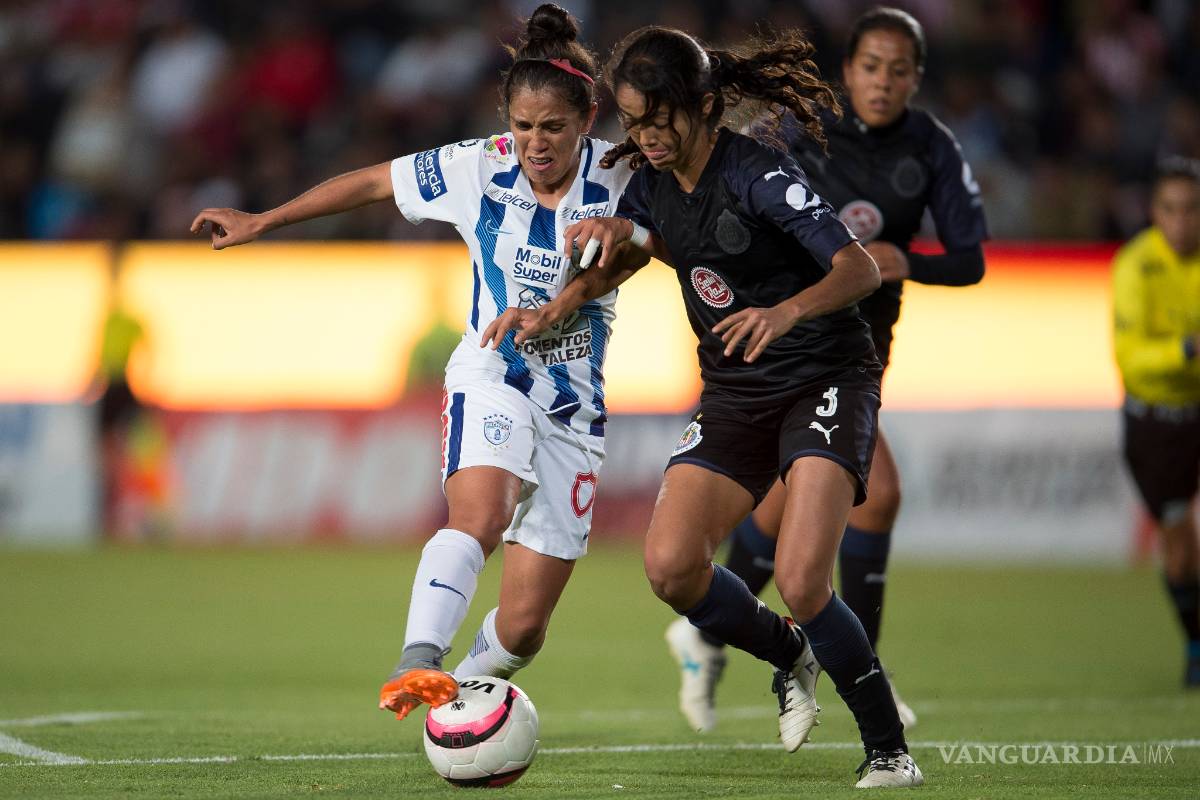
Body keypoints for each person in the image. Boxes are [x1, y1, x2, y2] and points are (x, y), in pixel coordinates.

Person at [488, 24, 921, 788]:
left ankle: (890, 751)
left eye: (662, 120)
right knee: (671, 566)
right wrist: (563, 300)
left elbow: (857, 269)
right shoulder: (651, 182)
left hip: (824, 378)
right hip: (736, 389)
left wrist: (785, 312)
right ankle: (791, 654)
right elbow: (634, 251)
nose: (648, 138)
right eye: (635, 122)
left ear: (707, 106)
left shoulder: (759, 174)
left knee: (803, 579)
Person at [190, 4, 647, 721]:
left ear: (587, 119)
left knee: (524, 628)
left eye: (553, 127)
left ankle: (452, 703)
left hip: (575, 408)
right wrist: (264, 220)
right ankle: (418, 659)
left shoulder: (625, 176)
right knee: (481, 515)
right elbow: (375, 181)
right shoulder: (478, 164)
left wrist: (623, 235)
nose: (535, 142)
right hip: (493, 371)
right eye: (523, 125)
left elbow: (657, 245)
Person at [664, 6, 988, 734]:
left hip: (859, 341)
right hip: (789, 346)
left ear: (916, 77)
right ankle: (864, 670)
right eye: (870, 66)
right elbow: (719, 195)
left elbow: (970, 259)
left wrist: (910, 261)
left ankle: (707, 631)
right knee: (875, 496)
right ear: (848, 70)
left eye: (898, 70)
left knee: (787, 504)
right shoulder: (792, 133)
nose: (883, 81)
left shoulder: (931, 147)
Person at [1113, 155, 1200, 688]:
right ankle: (1195, 640)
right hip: (1157, 428)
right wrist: (1186, 350)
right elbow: (1131, 360)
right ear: (1154, 211)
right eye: (1171, 209)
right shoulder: (1135, 265)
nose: (1181, 221)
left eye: (1191, 209)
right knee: (1180, 546)